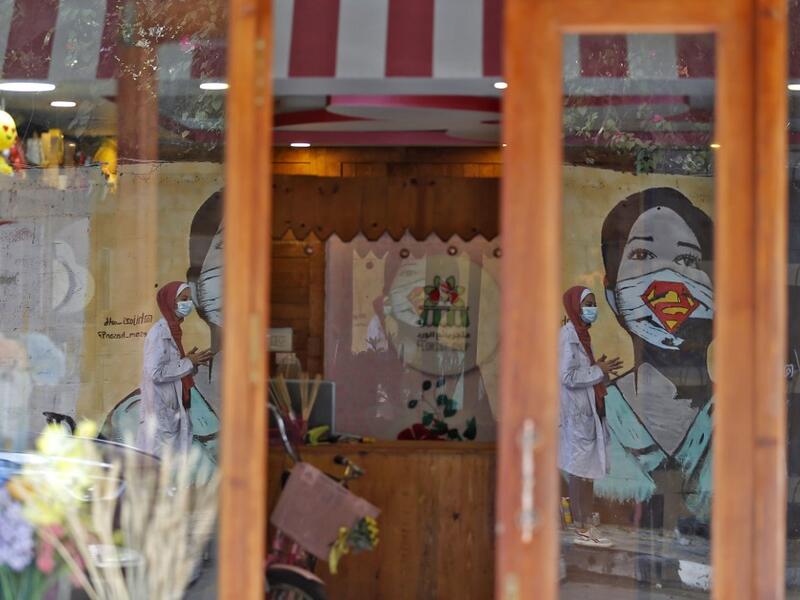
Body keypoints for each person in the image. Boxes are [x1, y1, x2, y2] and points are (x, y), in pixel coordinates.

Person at [596, 187, 714, 522]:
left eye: (688, 260)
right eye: (643, 256)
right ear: (613, 294)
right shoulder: (595, 416)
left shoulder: (740, 420)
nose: (668, 279)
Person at [559, 285, 623, 547]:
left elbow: (583, 373)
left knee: (587, 470)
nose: (592, 309)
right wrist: (598, 370)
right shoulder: (568, 336)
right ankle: (582, 527)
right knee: (579, 471)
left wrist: (600, 370)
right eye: (588, 303)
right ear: (575, 306)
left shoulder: (582, 336)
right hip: (577, 416)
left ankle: (586, 525)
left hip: (587, 413)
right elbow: (567, 377)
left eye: (594, 303)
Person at [136, 281, 213, 458]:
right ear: (171, 301)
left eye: (190, 299)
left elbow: (173, 369)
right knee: (160, 465)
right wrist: (187, 362)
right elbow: (155, 372)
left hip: (174, 409)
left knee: (175, 465)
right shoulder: (159, 333)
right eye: (183, 299)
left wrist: (192, 362)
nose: (188, 304)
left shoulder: (174, 331)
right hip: (162, 412)